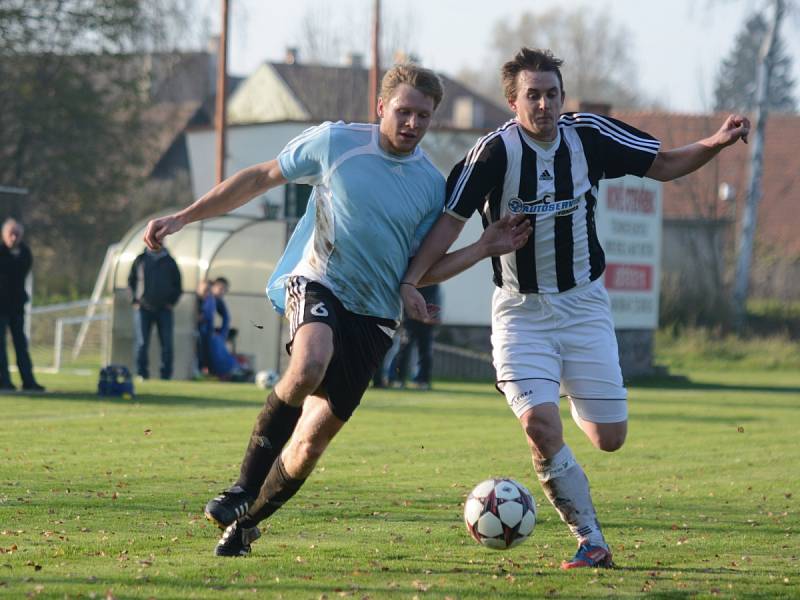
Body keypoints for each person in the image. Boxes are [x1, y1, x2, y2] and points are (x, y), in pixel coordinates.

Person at [142, 63, 531, 557]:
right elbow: (260, 177)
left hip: (375, 318)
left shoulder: (433, 187)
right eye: (404, 111)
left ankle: (247, 524)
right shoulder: (336, 143)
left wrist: (482, 247)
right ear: (380, 107)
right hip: (319, 281)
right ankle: (242, 487)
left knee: (309, 445)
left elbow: (420, 269)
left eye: (423, 116)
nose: (412, 124)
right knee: (308, 363)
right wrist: (182, 216)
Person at [399, 48, 750, 570]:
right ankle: (590, 539)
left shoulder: (589, 135)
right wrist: (411, 282)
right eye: (532, 96)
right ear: (512, 101)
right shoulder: (491, 155)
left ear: (563, 96)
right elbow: (443, 235)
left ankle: (555, 385)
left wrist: (717, 142)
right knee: (542, 428)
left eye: (552, 94)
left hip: (584, 307)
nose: (544, 105)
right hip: (520, 314)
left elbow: (665, 163)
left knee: (609, 439)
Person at [0, 218, 45, 392]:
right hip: (1, 307)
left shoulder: (25, 253)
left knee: (21, 344)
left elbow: (17, 273)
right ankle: (4, 381)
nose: (14, 237)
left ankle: (28, 380)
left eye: (17, 234)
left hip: (17, 307)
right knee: (1, 347)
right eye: (11, 233)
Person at [128, 245, 182, 380]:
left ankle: (166, 376)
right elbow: (131, 281)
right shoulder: (140, 259)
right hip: (143, 309)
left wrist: (172, 302)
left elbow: (178, 284)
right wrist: (134, 300)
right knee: (141, 343)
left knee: (167, 344)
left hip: (164, 310)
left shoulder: (170, 261)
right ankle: (142, 374)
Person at [392, 283, 441, 390]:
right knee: (405, 350)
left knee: (424, 352)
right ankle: (400, 379)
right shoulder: (412, 281)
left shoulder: (431, 283)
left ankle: (422, 381)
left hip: (426, 321)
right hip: (411, 319)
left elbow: (437, 300)